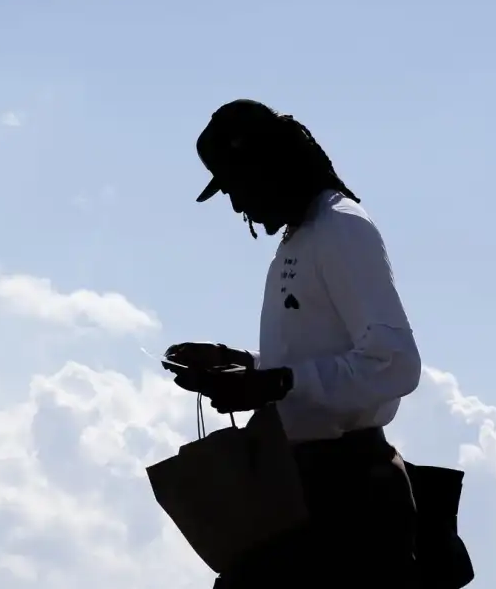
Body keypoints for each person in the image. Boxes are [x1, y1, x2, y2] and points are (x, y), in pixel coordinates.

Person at [165, 99, 422, 587]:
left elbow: (396, 364)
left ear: (269, 164)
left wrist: (274, 383)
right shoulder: (301, 237)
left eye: (236, 185)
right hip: (305, 490)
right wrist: (241, 363)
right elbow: (317, 361)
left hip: (352, 499)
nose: (238, 205)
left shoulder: (341, 228)